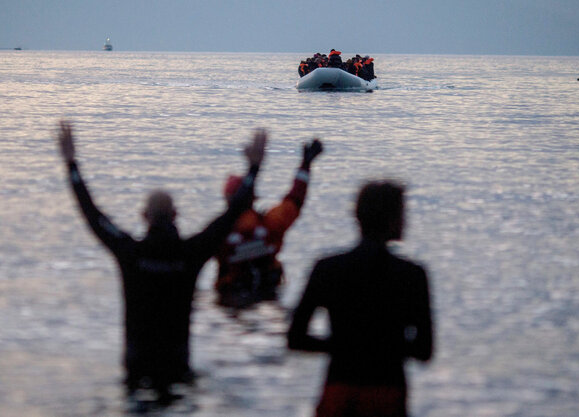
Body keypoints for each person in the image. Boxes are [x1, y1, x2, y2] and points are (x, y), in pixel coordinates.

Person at [56, 121, 266, 402]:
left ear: (144, 217)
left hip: (136, 368)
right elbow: (230, 216)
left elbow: (93, 215)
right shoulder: (190, 253)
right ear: (176, 215)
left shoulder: (130, 253)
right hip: (178, 367)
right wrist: (253, 169)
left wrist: (71, 165)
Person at [288, 181, 433, 417]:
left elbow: (296, 339)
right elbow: (424, 350)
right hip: (387, 394)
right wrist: (384, 346)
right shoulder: (412, 275)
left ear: (358, 217)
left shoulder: (326, 268)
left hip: (338, 391)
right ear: (393, 220)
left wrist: (342, 345)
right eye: (403, 213)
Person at [214, 139, 323, 308]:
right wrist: (306, 164)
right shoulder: (271, 224)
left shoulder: (218, 234)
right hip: (268, 295)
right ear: (253, 197)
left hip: (230, 298)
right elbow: (295, 199)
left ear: (227, 200)